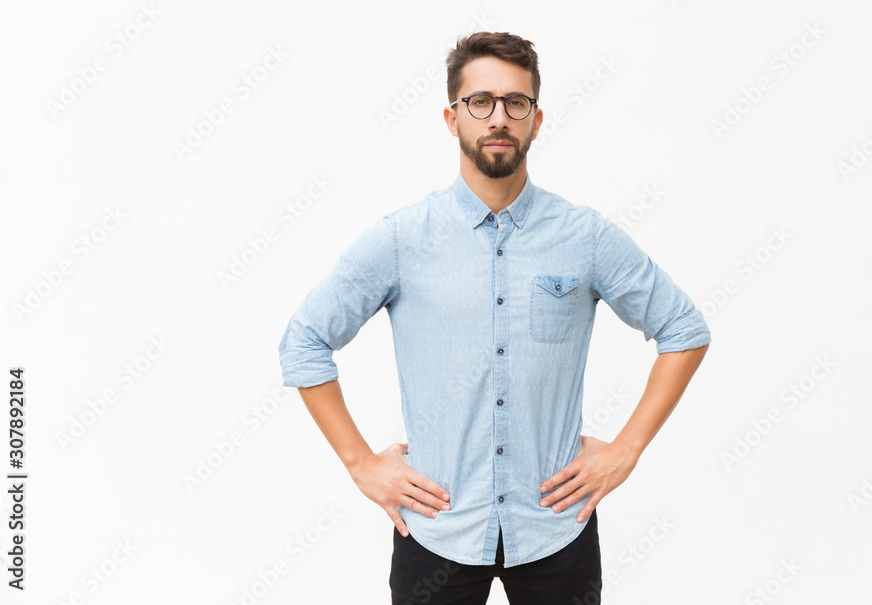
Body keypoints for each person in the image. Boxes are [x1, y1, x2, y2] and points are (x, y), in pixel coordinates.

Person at [277, 31, 711, 605]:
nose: (498, 118)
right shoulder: (403, 240)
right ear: (452, 118)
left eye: (515, 103)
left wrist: (626, 450)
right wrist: (360, 463)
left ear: (536, 118)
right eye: (479, 102)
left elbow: (684, 331)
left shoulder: (584, 237)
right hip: (436, 531)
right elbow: (304, 342)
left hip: (556, 530)